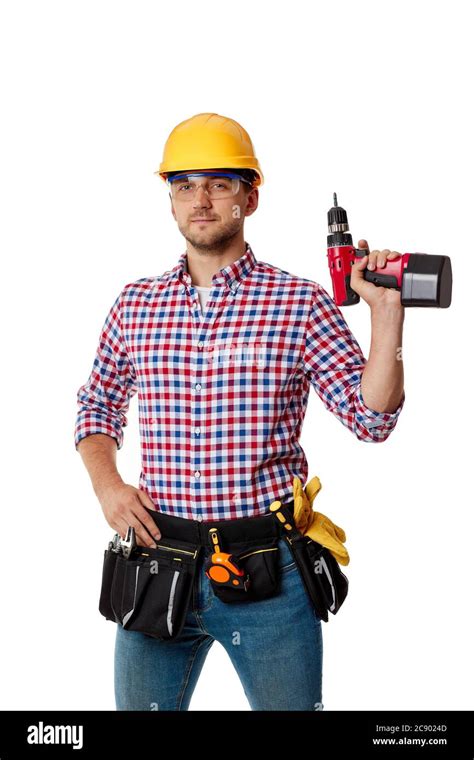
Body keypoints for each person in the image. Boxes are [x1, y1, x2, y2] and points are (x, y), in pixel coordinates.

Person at [74, 112, 405, 711]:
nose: (200, 199)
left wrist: (385, 314)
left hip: (268, 573)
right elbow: (96, 405)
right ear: (170, 201)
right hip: (157, 566)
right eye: (184, 185)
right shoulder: (135, 305)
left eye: (219, 183)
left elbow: (371, 417)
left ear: (250, 197)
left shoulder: (298, 302)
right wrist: (108, 487)